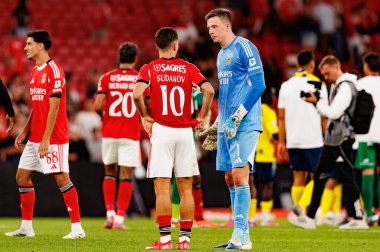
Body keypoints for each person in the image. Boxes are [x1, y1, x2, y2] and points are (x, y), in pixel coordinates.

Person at [133, 27, 214, 250]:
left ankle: (166, 241)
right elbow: (208, 90)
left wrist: (145, 116)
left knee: (162, 188)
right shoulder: (188, 67)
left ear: (157, 45)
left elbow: (137, 93)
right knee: (186, 188)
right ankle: (185, 241)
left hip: (162, 130)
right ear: (176, 45)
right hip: (184, 132)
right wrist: (201, 116)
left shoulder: (149, 68)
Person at [5, 30, 85, 238]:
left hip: (53, 137)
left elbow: (54, 107)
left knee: (61, 179)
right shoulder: (34, 72)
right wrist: (25, 132)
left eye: (29, 44)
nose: (25, 47)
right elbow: (36, 106)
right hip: (35, 137)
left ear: (41, 46)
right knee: (22, 177)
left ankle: (77, 229)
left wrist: (46, 139)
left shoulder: (55, 71)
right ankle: (26, 227)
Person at [204, 8, 265, 250]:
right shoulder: (221, 55)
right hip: (227, 124)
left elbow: (259, 84)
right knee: (229, 177)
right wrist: (219, 121)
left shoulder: (245, 47)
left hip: (245, 122)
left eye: (215, 27)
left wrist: (237, 117)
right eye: (208, 28)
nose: (210, 32)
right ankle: (242, 237)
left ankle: (239, 235)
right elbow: (228, 92)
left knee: (240, 175)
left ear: (227, 26)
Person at [291, 55, 368, 229]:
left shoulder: (346, 86)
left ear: (336, 67)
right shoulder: (338, 86)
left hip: (341, 139)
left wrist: (317, 102)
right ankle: (310, 217)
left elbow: (334, 113)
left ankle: (358, 218)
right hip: (333, 139)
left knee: (347, 177)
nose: (325, 77)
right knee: (319, 176)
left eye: (326, 73)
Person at [94, 42, 141, 229]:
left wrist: (104, 118)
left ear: (119, 57)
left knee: (109, 174)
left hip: (110, 132)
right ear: (135, 58)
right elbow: (147, 102)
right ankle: (120, 219)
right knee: (126, 176)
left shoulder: (107, 77)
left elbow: (98, 106)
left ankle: (110, 215)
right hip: (130, 132)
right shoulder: (140, 78)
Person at [277, 51, 328, 218]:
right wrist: (326, 136)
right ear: (312, 64)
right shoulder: (318, 84)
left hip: (293, 139)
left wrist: (282, 142)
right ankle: (303, 208)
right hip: (313, 139)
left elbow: (281, 116)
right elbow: (324, 115)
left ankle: (298, 212)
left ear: (298, 65)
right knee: (317, 176)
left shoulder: (286, 85)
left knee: (298, 176)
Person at [354, 53, 380, 226]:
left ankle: (369, 214)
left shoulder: (359, 84)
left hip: (366, 134)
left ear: (365, 65)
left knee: (367, 171)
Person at [252, 88, 279, 227]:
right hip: (266, 154)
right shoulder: (269, 112)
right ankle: (265, 215)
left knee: (251, 184)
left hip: (251, 151)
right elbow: (274, 133)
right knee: (267, 184)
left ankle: (250, 216)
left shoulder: (251, 109)